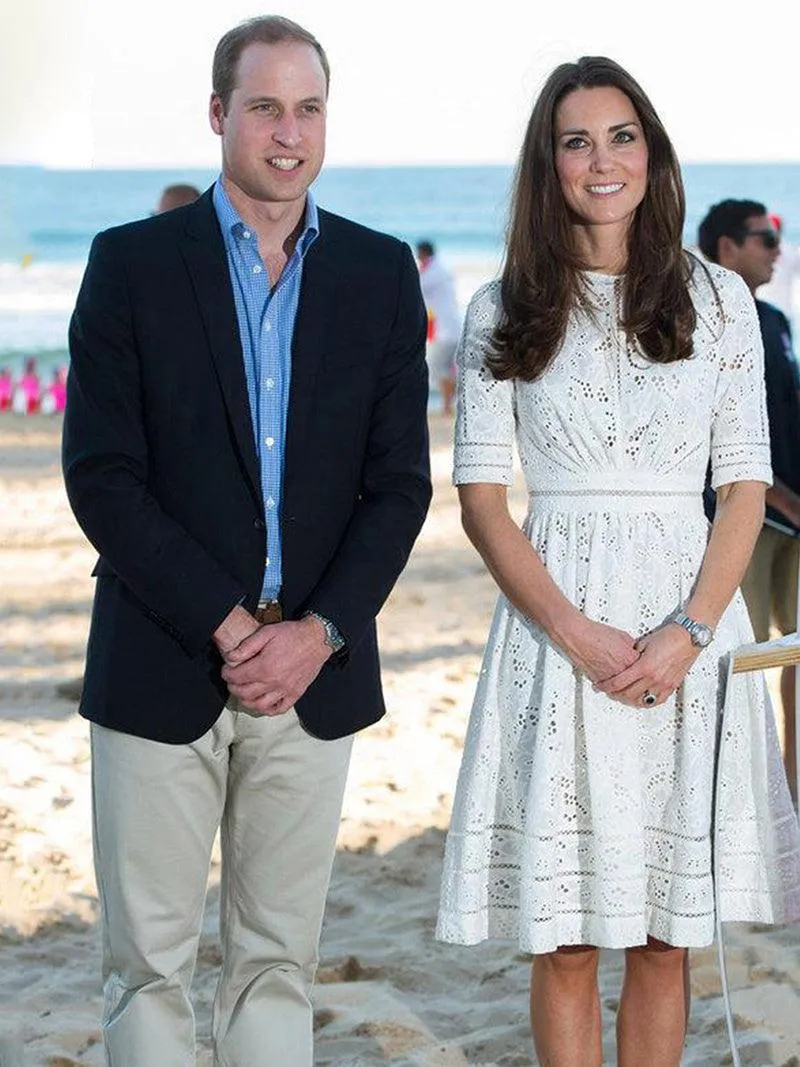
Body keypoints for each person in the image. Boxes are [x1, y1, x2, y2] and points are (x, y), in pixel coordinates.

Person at [62, 15, 430, 1067]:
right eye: (263, 105)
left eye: (307, 108)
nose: (287, 131)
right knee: (149, 967)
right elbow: (101, 474)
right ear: (218, 113)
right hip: (161, 656)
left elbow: (398, 486)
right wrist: (228, 623)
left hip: (311, 675)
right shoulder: (130, 263)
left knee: (278, 962)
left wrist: (314, 631)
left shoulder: (375, 271)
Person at [436, 57, 800, 1067]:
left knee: (660, 930)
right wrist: (572, 629)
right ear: (546, 164)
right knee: (562, 937)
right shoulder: (500, 305)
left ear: (652, 153)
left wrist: (688, 630)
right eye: (575, 139)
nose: (602, 159)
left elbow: (740, 487)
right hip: (555, 632)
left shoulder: (719, 299)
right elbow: (479, 500)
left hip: (687, 621)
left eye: (621, 135)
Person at [698, 199, 800, 801]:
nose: (776, 247)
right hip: (747, 519)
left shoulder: (778, 321)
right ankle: (740, 801)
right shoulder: (704, 320)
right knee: (744, 661)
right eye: (765, 238)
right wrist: (783, 503)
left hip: (791, 518)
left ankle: (789, 792)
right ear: (728, 248)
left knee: (793, 658)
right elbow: (722, 441)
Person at [416, 239, 461, 414]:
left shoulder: (432, 273)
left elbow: (416, 287)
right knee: (447, 368)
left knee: (436, 369)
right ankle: (448, 405)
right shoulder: (441, 269)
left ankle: (447, 406)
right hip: (451, 328)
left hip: (445, 331)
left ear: (423, 253)